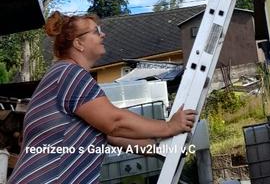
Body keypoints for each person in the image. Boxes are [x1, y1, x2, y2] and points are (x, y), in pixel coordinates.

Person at [8, 11, 195, 184]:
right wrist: (169, 127)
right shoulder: (69, 74)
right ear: (78, 43)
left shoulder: (64, 76)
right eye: (96, 31)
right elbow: (115, 122)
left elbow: (114, 135)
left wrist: (162, 147)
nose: (103, 35)